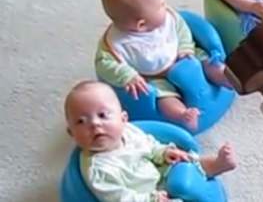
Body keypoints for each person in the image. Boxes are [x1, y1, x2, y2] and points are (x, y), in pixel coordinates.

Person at [96, 0, 230, 131]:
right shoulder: (116, 43)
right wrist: (128, 75)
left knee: (209, 62)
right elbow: (103, 64)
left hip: (186, 57)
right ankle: (183, 115)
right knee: (164, 99)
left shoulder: (168, 18)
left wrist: (185, 48)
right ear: (141, 25)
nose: (165, 7)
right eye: (160, 5)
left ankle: (228, 78)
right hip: (154, 77)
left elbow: (182, 29)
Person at [65, 80, 237, 202]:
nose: (95, 124)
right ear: (71, 134)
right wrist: (152, 198)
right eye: (81, 121)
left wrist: (164, 152)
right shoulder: (98, 169)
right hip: (145, 194)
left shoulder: (130, 132)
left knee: (188, 159)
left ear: (123, 119)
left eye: (102, 115)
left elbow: (149, 145)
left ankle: (215, 165)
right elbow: (118, 198)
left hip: (158, 171)